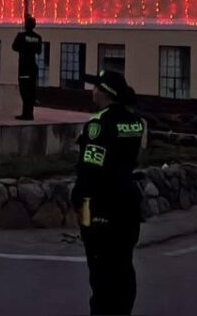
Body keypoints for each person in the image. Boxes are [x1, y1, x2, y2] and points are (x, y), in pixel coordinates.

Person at [72, 70, 147, 316]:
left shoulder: (98, 123)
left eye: (96, 87)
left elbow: (90, 170)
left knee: (101, 274)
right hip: (128, 203)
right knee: (123, 266)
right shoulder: (135, 121)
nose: (92, 91)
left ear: (105, 93)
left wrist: (80, 207)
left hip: (101, 206)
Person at [11, 15, 43, 121]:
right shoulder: (38, 37)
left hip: (24, 67)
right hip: (32, 67)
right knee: (31, 90)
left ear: (26, 25)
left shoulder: (21, 36)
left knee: (24, 91)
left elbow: (14, 47)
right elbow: (39, 51)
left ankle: (26, 114)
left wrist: (23, 48)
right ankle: (30, 113)